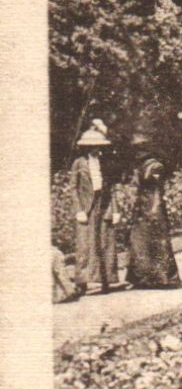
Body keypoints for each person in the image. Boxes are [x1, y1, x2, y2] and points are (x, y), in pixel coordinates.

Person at [125, 127, 181, 288]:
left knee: (156, 241)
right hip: (142, 206)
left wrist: (154, 210)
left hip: (152, 207)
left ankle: (162, 277)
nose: (137, 151)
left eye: (139, 148)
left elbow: (156, 189)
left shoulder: (154, 166)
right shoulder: (141, 165)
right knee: (139, 241)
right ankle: (142, 277)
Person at [70, 126, 119, 293]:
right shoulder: (78, 163)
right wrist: (79, 210)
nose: (96, 150)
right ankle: (81, 282)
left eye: (98, 146)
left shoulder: (104, 163)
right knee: (84, 244)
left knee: (104, 242)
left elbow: (110, 188)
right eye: (93, 147)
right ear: (86, 147)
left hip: (103, 205)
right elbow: (73, 188)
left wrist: (116, 210)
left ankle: (105, 280)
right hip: (86, 206)